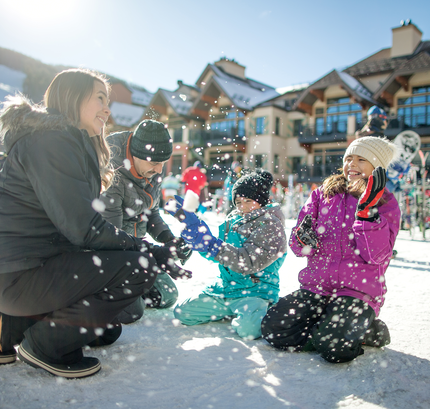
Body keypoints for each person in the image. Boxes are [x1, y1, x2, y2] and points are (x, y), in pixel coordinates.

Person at [0, 69, 191, 379]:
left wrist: (155, 246)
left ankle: (10, 323)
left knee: (107, 332)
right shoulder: (50, 142)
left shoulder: (70, 142)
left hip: (35, 267)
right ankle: (44, 346)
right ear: (73, 98)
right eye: (100, 98)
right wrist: (145, 250)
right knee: (138, 268)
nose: (107, 109)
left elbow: (82, 230)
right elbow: (84, 229)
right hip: (18, 273)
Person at [261, 136, 400, 364]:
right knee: (274, 327)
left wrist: (367, 214)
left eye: (361, 160)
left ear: (377, 168)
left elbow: (377, 256)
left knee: (335, 348)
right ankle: (329, 329)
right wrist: (303, 238)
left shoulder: (385, 202)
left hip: (357, 292)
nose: (352, 164)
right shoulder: (324, 193)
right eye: (349, 158)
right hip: (317, 287)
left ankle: (366, 330)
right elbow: (299, 247)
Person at [171, 169, 287, 340]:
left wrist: (213, 246)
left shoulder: (270, 225)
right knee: (183, 312)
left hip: (255, 291)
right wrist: (202, 243)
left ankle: (265, 309)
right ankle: (234, 310)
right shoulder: (232, 221)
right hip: (227, 288)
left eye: (249, 200)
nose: (243, 206)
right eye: (238, 202)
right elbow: (220, 255)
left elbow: (247, 262)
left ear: (261, 201)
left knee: (249, 331)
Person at [99, 120, 192, 323]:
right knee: (131, 312)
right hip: (111, 256)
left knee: (167, 295)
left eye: (163, 163)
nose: (160, 170)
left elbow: (151, 214)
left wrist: (169, 239)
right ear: (135, 156)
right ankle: (104, 293)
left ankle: (131, 289)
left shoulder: (152, 171)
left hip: (138, 250)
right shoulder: (110, 175)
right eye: (154, 163)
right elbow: (112, 238)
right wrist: (154, 255)